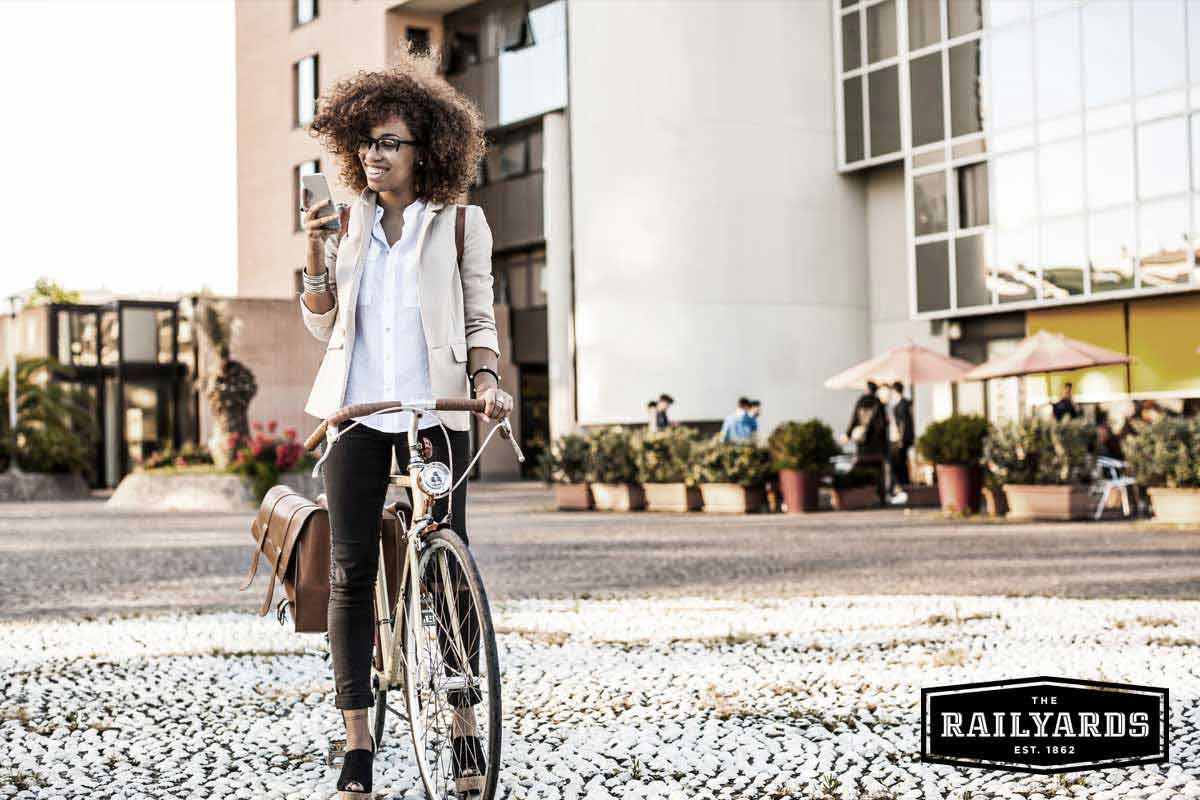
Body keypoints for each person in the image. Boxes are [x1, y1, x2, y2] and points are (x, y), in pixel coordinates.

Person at [298, 49, 512, 799]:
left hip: (437, 409)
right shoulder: (348, 224)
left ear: (428, 150)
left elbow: (479, 316)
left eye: (389, 142)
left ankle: (460, 729)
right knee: (353, 573)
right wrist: (318, 255)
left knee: (448, 573)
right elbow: (322, 323)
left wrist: (487, 380)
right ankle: (357, 739)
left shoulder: (460, 226)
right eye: (366, 142)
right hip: (356, 413)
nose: (374, 155)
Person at [845, 381, 888, 503]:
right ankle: (881, 496)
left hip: (862, 442)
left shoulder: (861, 401)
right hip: (876, 443)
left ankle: (859, 495)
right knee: (878, 471)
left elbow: (853, 419)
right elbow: (883, 424)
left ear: (866, 389)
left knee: (861, 468)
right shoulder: (878, 403)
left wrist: (848, 434)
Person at [888, 381, 914, 493]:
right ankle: (903, 484)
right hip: (901, 437)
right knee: (901, 461)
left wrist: (901, 439)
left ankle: (903, 484)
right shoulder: (903, 403)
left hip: (900, 438)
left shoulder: (901, 404)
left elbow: (904, 423)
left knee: (899, 462)